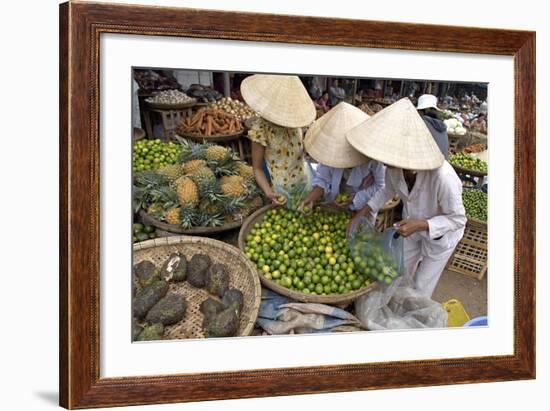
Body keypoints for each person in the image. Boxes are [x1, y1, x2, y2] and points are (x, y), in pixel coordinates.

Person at [346, 98, 466, 297]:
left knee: (421, 286)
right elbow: (386, 192)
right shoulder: (394, 169)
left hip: (440, 237)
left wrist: (421, 224)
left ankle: (412, 319)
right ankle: (395, 309)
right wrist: (360, 214)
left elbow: (458, 219)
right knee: (400, 272)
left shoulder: (443, 177)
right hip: (411, 230)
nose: (385, 163)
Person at [241, 74, 316, 202]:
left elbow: (303, 150)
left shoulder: (297, 121)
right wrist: (268, 191)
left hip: (303, 182)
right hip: (279, 191)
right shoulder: (261, 128)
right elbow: (257, 168)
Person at [298, 102, 385, 212]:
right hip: (335, 205)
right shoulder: (330, 152)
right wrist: (310, 199)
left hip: (363, 207)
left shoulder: (372, 157)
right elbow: (323, 179)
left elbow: (381, 186)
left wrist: (356, 198)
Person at [416, 94, 449, 159]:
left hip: (430, 165)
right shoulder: (442, 126)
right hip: (444, 164)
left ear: (421, 111)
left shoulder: (421, 124)